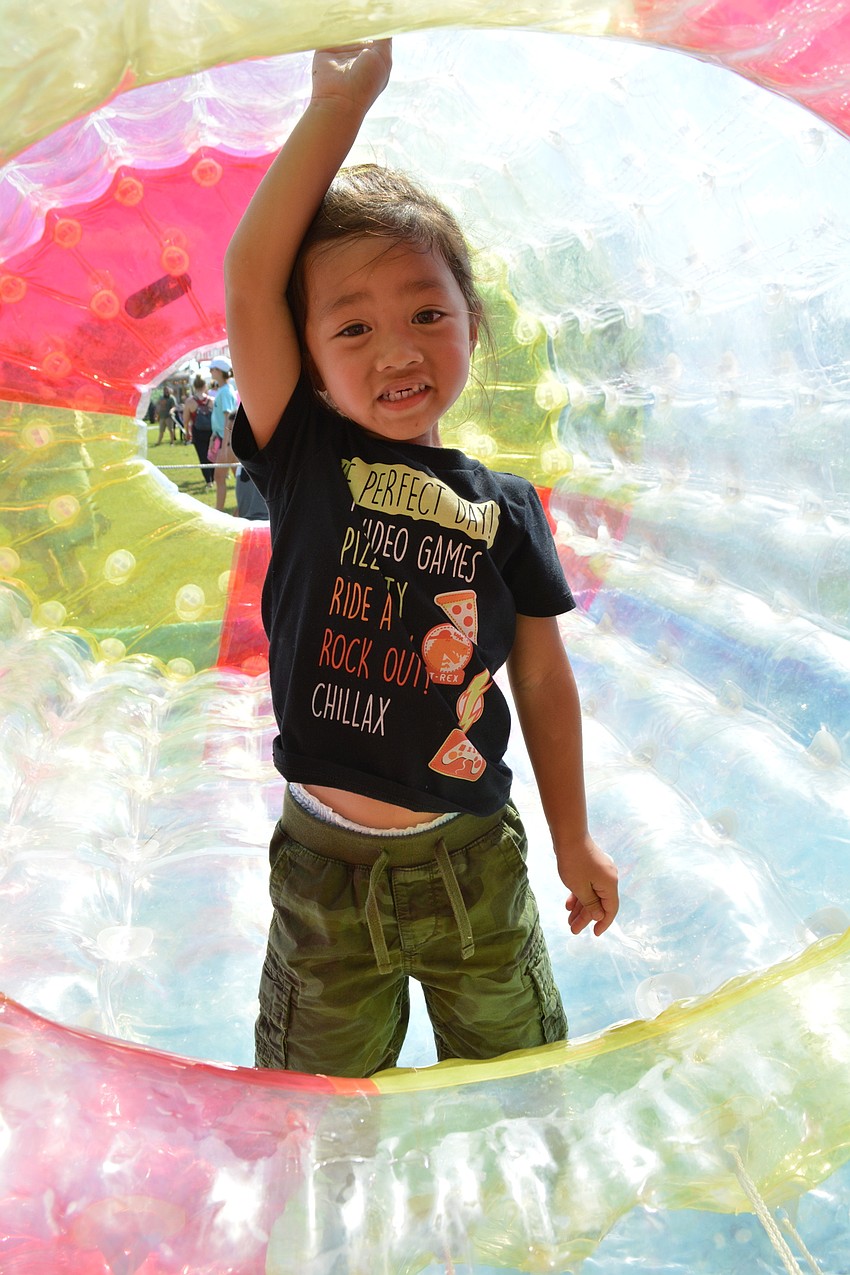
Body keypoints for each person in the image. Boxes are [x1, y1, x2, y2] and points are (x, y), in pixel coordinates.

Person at [224, 41, 618, 1079]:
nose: (396, 350)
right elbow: (250, 275)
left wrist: (572, 837)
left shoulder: (507, 508)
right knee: (312, 1105)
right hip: (325, 876)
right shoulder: (305, 455)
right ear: (304, 361)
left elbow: (538, 675)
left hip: (471, 865)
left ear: (471, 327)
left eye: (426, 314)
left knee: (519, 1082)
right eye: (351, 328)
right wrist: (340, 106)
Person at [208, 357, 239, 511]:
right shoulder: (223, 390)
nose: (210, 372)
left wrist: (226, 445)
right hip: (222, 438)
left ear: (219, 371)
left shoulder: (225, 391)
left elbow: (229, 418)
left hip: (226, 440)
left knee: (221, 477)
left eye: (212, 369)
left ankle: (220, 509)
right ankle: (239, 507)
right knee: (235, 476)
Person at [183, 374, 215, 488]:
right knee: (212, 454)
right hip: (211, 431)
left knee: (202, 456)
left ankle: (208, 481)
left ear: (194, 386)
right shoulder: (211, 400)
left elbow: (186, 420)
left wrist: (187, 432)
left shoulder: (190, 402)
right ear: (204, 385)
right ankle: (213, 477)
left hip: (198, 431)